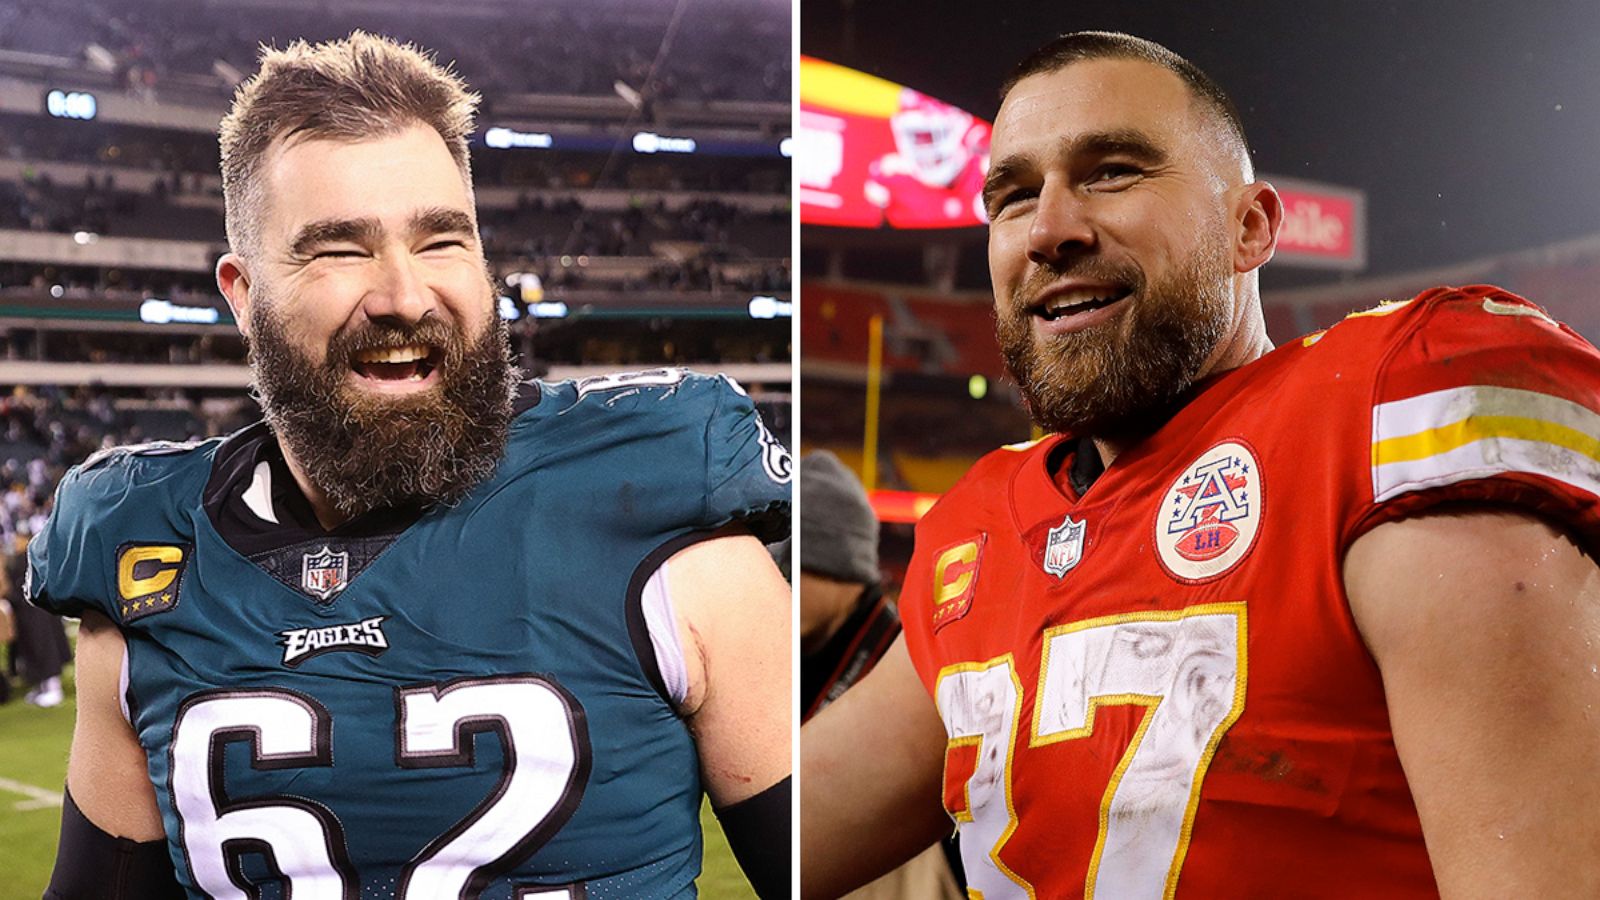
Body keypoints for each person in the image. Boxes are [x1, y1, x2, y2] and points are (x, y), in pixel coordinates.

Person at [802, 31, 1600, 899]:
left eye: (1111, 171)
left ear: (1249, 227)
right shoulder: (980, 523)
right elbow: (787, 828)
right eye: (1015, 195)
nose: (1050, 230)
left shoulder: (1384, 406)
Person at [31, 32, 792, 900]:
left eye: (441, 240)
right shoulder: (144, 552)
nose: (402, 294)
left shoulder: (669, 535)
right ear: (243, 295)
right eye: (339, 248)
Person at [799, 450, 963, 900]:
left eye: (795, 569)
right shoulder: (787, 651)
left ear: (839, 568)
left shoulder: (912, 659)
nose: (781, 584)